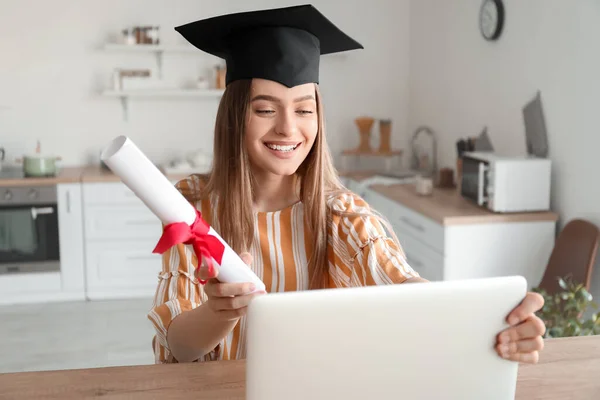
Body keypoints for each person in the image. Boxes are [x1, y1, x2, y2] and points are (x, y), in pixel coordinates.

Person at [147, 4, 545, 365]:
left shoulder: (341, 215)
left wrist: (495, 323)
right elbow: (178, 347)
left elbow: (408, 292)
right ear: (235, 116)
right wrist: (218, 313)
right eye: (266, 109)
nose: (288, 127)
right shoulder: (194, 208)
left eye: (305, 109)